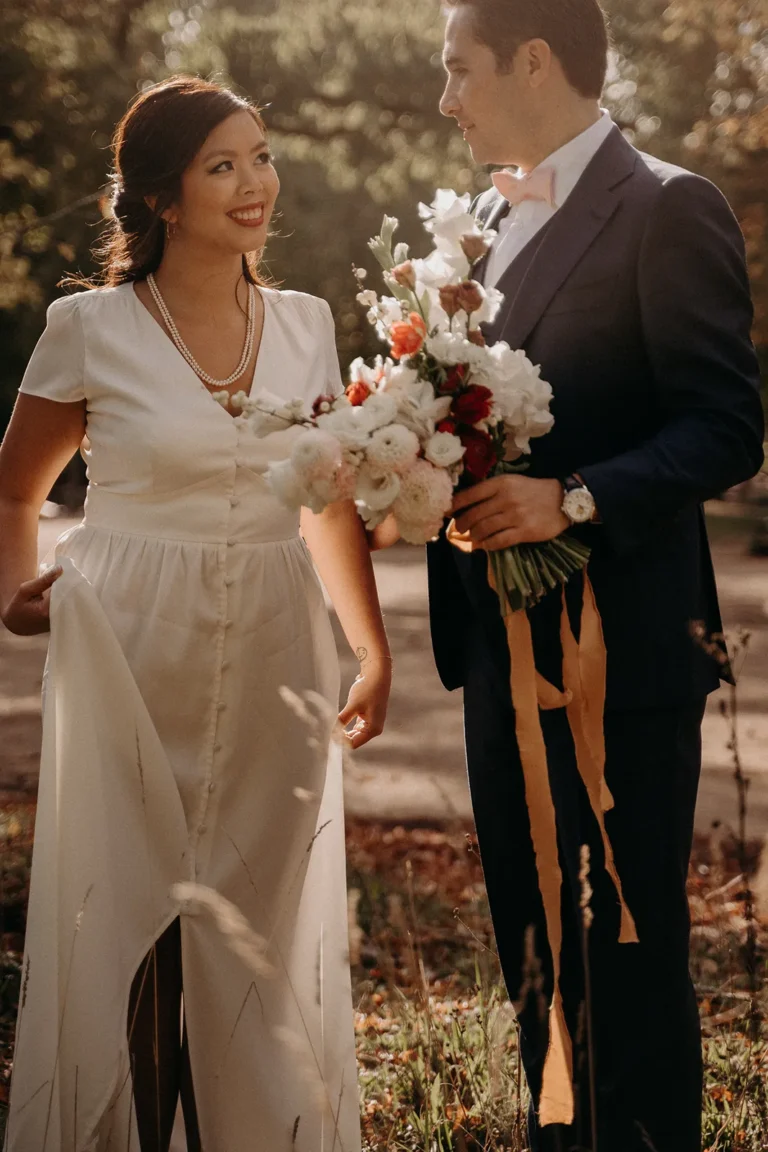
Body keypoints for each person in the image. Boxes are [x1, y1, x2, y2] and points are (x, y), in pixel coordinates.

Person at [0, 76, 390, 1152]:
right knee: (126, 909)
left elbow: (327, 502)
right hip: (123, 643)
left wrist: (370, 644)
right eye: (223, 165)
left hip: (276, 642)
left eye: (260, 156)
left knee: (255, 918)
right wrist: (13, 597)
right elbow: (13, 488)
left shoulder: (308, 325)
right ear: (165, 197)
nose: (255, 183)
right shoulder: (89, 327)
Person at [421, 1, 764, 1150]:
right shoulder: (472, 219)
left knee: (623, 934)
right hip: (492, 646)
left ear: (533, 61)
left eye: (458, 70)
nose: (446, 98)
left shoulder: (670, 206)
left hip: (621, 650)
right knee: (531, 939)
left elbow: (725, 427)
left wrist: (571, 500)